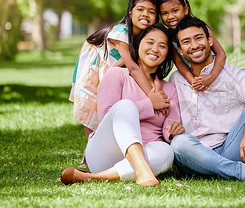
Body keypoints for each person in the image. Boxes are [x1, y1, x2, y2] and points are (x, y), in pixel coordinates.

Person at [61, 23, 185, 186]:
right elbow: (107, 117)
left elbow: (169, 127)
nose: (155, 49)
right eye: (150, 42)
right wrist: (149, 104)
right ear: (138, 45)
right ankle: (140, 168)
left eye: (162, 46)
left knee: (166, 153)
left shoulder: (169, 89)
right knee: (125, 106)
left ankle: (92, 177)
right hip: (106, 152)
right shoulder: (116, 75)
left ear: (167, 53)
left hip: (147, 152)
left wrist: (174, 128)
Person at [169, 16, 245, 185]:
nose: (194, 46)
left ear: (210, 40)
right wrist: (174, 126)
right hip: (196, 153)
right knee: (179, 143)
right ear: (180, 50)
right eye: (186, 42)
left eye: (199, 38)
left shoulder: (232, 73)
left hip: (231, 147)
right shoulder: (176, 79)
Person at [69, 0, 171, 139]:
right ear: (130, 12)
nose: (145, 14)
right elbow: (133, 67)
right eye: (140, 9)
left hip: (113, 65)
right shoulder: (121, 31)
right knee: (93, 105)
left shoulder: (144, 36)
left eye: (151, 12)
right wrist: (151, 97)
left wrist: (157, 88)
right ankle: (91, 149)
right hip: (94, 64)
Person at [156, 0, 226, 92]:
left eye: (175, 11)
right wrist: (192, 80)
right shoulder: (169, 37)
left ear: (185, 9)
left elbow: (221, 54)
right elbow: (179, 62)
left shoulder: (199, 28)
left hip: (216, 70)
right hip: (194, 74)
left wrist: (211, 77)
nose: (170, 17)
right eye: (164, 13)